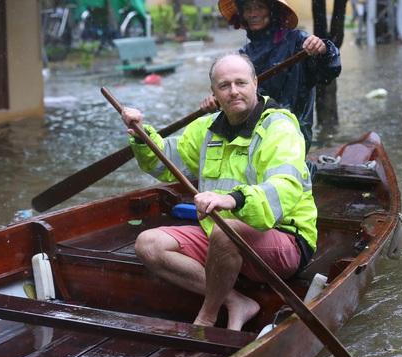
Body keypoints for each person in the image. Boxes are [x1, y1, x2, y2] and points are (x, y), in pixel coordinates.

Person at [121, 52, 317, 331]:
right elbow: (164, 161)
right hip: (221, 236)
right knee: (148, 243)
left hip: (285, 240)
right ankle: (236, 301)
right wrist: (142, 136)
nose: (233, 91)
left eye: (240, 83)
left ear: (255, 84)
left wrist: (232, 199)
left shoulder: (280, 128)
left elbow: (283, 188)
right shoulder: (206, 128)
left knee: (227, 231)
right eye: (224, 86)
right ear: (214, 92)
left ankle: (207, 318)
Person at [201, 0, 341, 153]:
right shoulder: (242, 56)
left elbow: (329, 72)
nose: (253, 14)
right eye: (247, 9)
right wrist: (216, 101)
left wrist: (323, 50)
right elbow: (235, 100)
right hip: (250, 137)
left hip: (291, 134)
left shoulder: (298, 42)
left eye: (259, 7)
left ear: (273, 11)